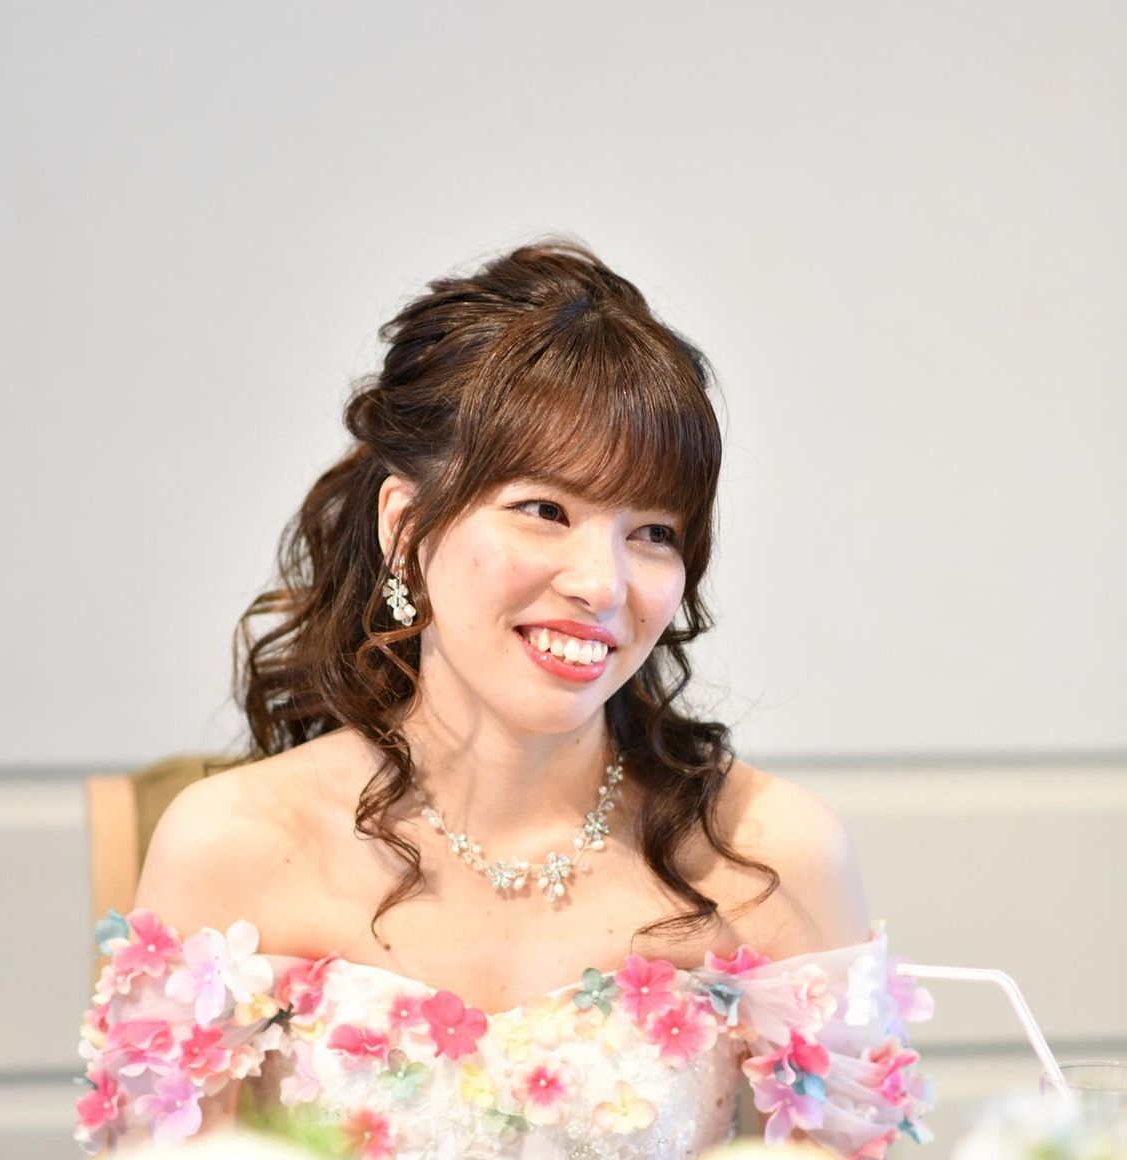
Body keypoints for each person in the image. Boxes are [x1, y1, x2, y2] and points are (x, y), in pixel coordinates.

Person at [75, 241, 935, 1158]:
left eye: (652, 532)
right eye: (544, 511)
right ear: (406, 526)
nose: (601, 584)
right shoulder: (231, 846)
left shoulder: (773, 856)